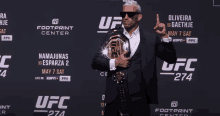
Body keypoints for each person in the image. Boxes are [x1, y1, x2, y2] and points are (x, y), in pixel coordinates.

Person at [91, 1, 177, 116]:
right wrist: (115, 62)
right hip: (115, 100)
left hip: (140, 100)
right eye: (123, 14)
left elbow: (171, 58)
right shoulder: (112, 35)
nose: (126, 17)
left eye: (130, 14)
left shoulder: (151, 39)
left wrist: (164, 36)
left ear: (139, 17)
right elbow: (96, 62)